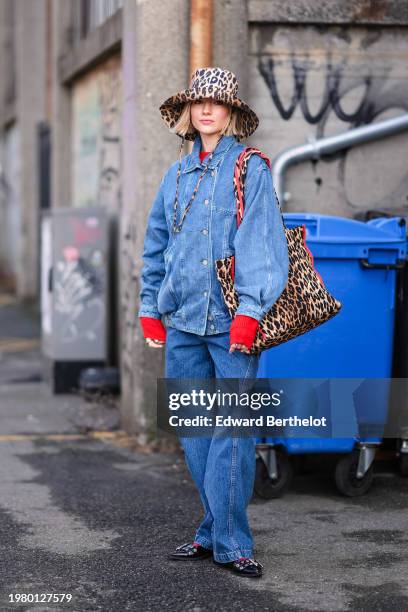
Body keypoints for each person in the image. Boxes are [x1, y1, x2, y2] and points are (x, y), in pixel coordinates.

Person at [138, 67, 289, 578]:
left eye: (216, 104)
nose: (206, 110)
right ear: (187, 113)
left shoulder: (251, 169)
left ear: (230, 115)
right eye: (198, 102)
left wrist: (250, 311)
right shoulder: (175, 176)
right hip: (181, 321)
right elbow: (157, 245)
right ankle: (211, 530)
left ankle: (232, 543)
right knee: (196, 430)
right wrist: (148, 307)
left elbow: (263, 244)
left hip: (231, 325)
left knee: (233, 433)